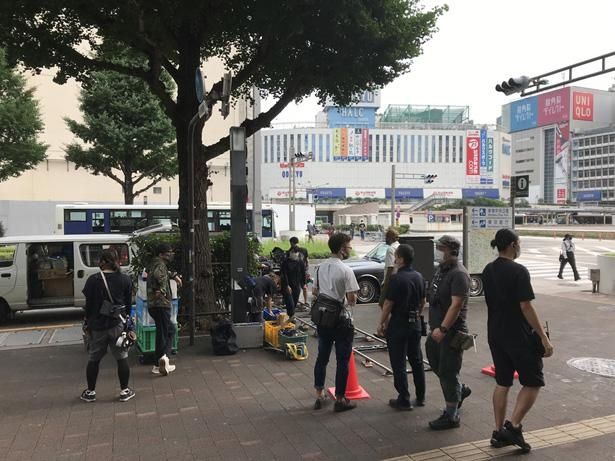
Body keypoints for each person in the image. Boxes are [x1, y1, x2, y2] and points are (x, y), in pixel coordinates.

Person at [483, 229, 554, 452]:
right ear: (513, 245)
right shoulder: (518, 271)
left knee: (502, 382)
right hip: (518, 335)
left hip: (495, 333)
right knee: (533, 381)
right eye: (519, 243)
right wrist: (543, 338)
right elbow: (526, 306)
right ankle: (513, 427)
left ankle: (498, 432)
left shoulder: (488, 269)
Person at [425, 235, 472, 430]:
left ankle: (452, 415)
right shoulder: (442, 270)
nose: (437, 251)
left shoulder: (459, 274)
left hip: (451, 332)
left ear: (451, 251)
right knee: (437, 364)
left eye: (440, 248)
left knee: (448, 371)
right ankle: (459, 390)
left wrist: (443, 328)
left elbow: (456, 305)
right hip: (436, 330)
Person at [313, 232, 359, 412]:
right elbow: (352, 299)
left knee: (322, 357)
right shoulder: (346, 270)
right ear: (341, 249)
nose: (350, 249)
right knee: (342, 360)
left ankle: (319, 394)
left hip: (323, 319)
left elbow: (316, 292)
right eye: (349, 246)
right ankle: (340, 399)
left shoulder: (319, 267)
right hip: (341, 321)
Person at [80, 249, 135, 403]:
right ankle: (124, 391)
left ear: (102, 261)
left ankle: (90, 392)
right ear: (117, 261)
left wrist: (87, 323)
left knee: (94, 359)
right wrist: (127, 322)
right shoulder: (124, 279)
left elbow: (88, 305)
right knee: (121, 357)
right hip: (117, 324)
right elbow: (128, 305)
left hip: (97, 326)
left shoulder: (93, 280)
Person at [377, 244, 426, 410]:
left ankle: (404, 399)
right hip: (415, 324)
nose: (395, 260)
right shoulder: (419, 276)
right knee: (417, 360)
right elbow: (423, 301)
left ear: (401, 259)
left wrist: (381, 323)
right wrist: (417, 315)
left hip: (398, 323)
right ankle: (421, 397)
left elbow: (388, 304)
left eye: (396, 257)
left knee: (398, 362)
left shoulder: (396, 278)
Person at [147, 243, 182, 376]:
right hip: (160, 304)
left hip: (155, 305)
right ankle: (161, 362)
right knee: (165, 332)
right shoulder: (159, 265)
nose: (171, 254)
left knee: (166, 331)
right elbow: (158, 275)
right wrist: (160, 290)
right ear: (161, 254)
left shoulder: (155, 263)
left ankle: (162, 360)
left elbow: (162, 273)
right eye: (169, 252)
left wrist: (173, 276)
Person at [280, 237, 308, 318]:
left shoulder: (300, 262)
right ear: (290, 253)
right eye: (293, 253)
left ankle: (290, 318)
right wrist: (287, 285)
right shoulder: (285, 262)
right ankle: (291, 318)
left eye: (296, 253)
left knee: (294, 303)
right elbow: (283, 274)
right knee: (290, 303)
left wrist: (304, 284)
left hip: (296, 285)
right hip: (287, 285)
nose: (294, 254)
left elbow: (303, 273)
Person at [378, 228, 400, 309]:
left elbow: (390, 267)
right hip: (398, 280)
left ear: (390, 237)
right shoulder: (400, 247)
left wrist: (385, 284)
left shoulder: (390, 249)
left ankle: (387, 322)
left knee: (383, 304)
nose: (385, 239)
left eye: (386, 237)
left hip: (390, 282)